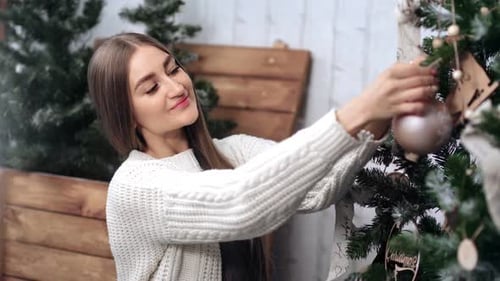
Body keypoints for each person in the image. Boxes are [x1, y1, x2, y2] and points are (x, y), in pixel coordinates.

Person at [87, 32, 438, 281]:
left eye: (173, 68)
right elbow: (240, 203)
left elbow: (321, 188)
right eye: (151, 87)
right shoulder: (135, 187)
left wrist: (379, 114)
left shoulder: (231, 150)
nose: (176, 86)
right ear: (127, 114)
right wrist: (359, 109)